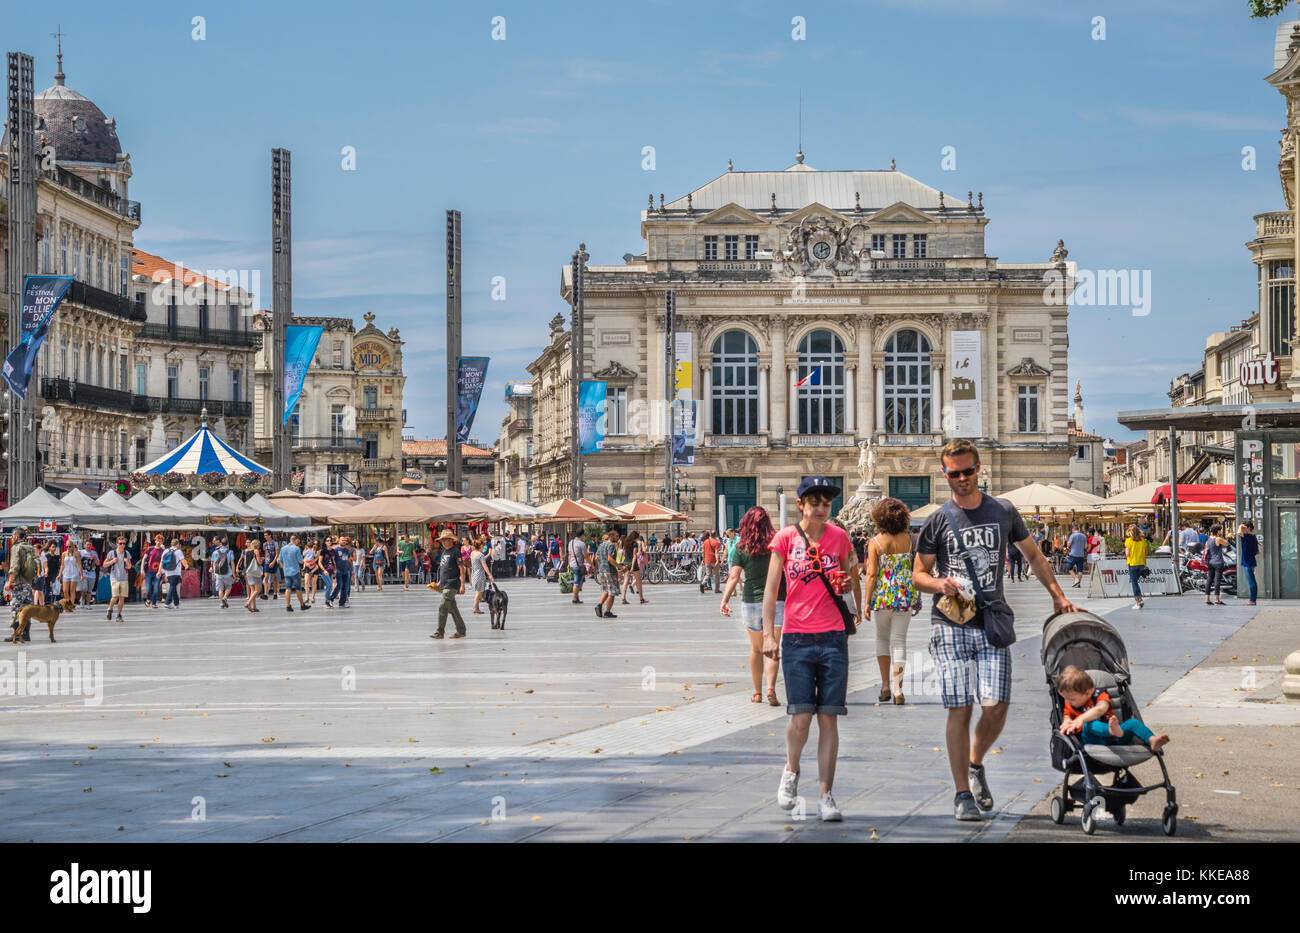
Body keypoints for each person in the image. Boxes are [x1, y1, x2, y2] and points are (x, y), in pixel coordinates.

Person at [913, 439, 1077, 822]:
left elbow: (1033, 556)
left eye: (968, 471)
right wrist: (940, 583)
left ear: (979, 468)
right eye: (954, 473)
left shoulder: (1002, 510)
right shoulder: (938, 520)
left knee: (996, 705)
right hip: (950, 622)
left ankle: (976, 761)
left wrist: (1057, 595)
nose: (962, 479)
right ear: (945, 474)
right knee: (960, 706)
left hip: (992, 620)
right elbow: (918, 574)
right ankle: (961, 794)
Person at [763, 476, 859, 822]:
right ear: (801, 504)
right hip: (798, 638)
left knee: (829, 718)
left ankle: (826, 795)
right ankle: (791, 770)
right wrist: (769, 636)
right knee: (800, 716)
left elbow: (848, 583)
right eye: (814, 502)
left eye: (826, 504)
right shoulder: (786, 538)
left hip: (833, 636)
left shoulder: (840, 537)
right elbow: (772, 589)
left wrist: (848, 587)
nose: (821, 509)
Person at [720, 506, 785, 706]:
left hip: (751, 602)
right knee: (772, 646)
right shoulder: (777, 544)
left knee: (756, 649)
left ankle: (757, 693)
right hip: (777, 600)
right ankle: (771, 689)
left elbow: (734, 576)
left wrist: (725, 599)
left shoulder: (741, 548)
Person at [862, 497, 922, 706]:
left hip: (882, 597)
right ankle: (898, 689)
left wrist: (866, 602)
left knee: (882, 639)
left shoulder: (875, 542)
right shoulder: (911, 539)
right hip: (904, 596)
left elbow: (871, 574)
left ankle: (885, 685)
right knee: (900, 642)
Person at [1057, 665, 1169, 752]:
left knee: (1133, 723)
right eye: (1065, 699)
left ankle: (1152, 740)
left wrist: (1080, 719)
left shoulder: (1100, 695)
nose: (1068, 702)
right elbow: (1066, 717)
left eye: (1071, 699)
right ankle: (1111, 730)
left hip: (1116, 738)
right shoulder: (1069, 705)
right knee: (1089, 724)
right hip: (1093, 743)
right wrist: (1066, 722)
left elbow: (1100, 709)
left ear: (1087, 693)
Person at [431, 529, 467, 639]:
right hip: (445, 583)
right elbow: (444, 569)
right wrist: (439, 582)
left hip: (452, 584)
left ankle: (439, 632)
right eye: (441, 540)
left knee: (443, 607)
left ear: (450, 540)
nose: (442, 542)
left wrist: (462, 585)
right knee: (452, 609)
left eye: (444, 540)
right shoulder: (444, 552)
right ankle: (461, 630)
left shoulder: (455, 552)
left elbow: (461, 568)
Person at [6, 528, 40, 643]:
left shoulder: (17, 548)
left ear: (16, 536)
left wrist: (9, 583)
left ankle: (17, 633)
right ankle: (26, 634)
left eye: (12, 535)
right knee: (27, 609)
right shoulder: (30, 548)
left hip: (19, 583)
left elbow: (14, 567)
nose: (11, 538)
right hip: (28, 584)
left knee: (16, 609)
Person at [101, 536, 132, 624]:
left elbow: (129, 567)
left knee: (122, 598)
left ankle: (118, 614)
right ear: (117, 544)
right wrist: (112, 561)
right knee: (115, 597)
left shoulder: (127, 553)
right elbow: (104, 564)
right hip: (114, 577)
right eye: (120, 543)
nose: (122, 545)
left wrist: (127, 562)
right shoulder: (112, 553)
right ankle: (110, 609)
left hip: (124, 577)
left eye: (124, 543)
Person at [594, 529, 623, 619]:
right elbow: (610, 559)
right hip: (610, 571)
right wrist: (620, 567)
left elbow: (596, 558)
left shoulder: (601, 545)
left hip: (602, 570)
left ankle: (599, 605)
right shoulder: (611, 545)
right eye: (616, 536)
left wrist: (599, 568)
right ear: (611, 536)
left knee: (606, 590)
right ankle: (607, 612)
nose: (618, 538)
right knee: (612, 592)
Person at [278, 534, 311, 613]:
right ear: (295, 540)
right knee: (298, 588)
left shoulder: (283, 548)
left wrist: (284, 568)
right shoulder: (296, 548)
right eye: (298, 541)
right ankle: (302, 605)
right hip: (295, 571)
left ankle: (288, 606)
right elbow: (300, 561)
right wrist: (305, 561)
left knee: (288, 588)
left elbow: (279, 561)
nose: (298, 542)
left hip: (286, 572)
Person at [1203, 523, 1230, 606]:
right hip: (1218, 562)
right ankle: (1217, 599)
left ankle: (1207, 599)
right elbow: (1227, 544)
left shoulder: (1208, 540)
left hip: (1210, 562)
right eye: (1220, 530)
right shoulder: (1218, 539)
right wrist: (1228, 536)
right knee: (1217, 581)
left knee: (1209, 580)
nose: (1221, 532)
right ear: (1218, 531)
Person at [1124, 523, 1148, 610]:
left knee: (1134, 582)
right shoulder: (1143, 541)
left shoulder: (1128, 541)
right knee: (1136, 582)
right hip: (1141, 564)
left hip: (1132, 563)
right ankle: (1140, 599)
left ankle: (1138, 601)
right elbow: (1146, 553)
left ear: (1130, 532)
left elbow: (1127, 554)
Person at [160, 538, 189, 609]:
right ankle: (167, 602)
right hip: (176, 572)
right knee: (172, 587)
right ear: (178, 544)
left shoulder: (166, 551)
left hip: (168, 572)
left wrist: (162, 572)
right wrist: (186, 566)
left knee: (173, 587)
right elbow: (183, 560)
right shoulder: (178, 551)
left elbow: (162, 561)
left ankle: (176, 603)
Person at [621, 530, 648, 605]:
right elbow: (634, 556)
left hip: (626, 562)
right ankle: (641, 598)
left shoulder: (625, 543)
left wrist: (623, 563)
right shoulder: (635, 544)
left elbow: (623, 553)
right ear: (635, 537)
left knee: (625, 581)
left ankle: (623, 598)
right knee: (638, 581)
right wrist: (632, 566)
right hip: (632, 563)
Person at [236, 542, 263, 613]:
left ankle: (254, 607)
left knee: (252, 590)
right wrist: (262, 560)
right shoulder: (256, 551)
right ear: (257, 545)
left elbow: (245, 563)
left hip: (248, 571)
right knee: (258, 589)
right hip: (255, 572)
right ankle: (248, 603)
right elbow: (259, 562)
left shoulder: (246, 551)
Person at [469, 536, 493, 614]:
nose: (484, 548)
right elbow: (485, 566)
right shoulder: (480, 555)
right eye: (483, 546)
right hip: (479, 575)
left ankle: (477, 608)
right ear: (480, 546)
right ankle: (475, 608)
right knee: (479, 593)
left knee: (478, 592)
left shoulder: (472, 553)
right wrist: (490, 575)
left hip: (474, 574)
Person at [1237, 521, 1259, 605]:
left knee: (1251, 582)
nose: (1242, 529)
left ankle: (1252, 600)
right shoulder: (1253, 536)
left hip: (1247, 562)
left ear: (1248, 528)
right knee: (1252, 581)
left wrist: (1240, 526)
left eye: (1244, 527)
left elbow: (1239, 532)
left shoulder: (1247, 536)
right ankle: (1253, 600)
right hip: (1251, 560)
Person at [210, 536, 235, 609]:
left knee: (220, 589)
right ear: (227, 544)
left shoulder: (215, 552)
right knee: (229, 587)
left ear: (221, 543)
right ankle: (225, 597)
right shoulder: (230, 552)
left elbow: (214, 563)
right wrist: (234, 574)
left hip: (218, 573)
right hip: (228, 573)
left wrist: (214, 573)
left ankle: (221, 603)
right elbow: (232, 563)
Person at [330, 535, 354, 608]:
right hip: (338, 570)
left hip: (346, 570)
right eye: (342, 540)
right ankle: (330, 599)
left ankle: (342, 603)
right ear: (339, 541)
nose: (343, 541)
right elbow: (332, 560)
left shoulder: (347, 550)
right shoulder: (336, 550)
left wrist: (352, 570)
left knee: (345, 587)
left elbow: (349, 560)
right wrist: (334, 569)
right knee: (339, 584)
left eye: (344, 540)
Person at [568, 529, 589, 605]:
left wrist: (568, 563)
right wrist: (591, 565)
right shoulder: (581, 544)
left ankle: (576, 596)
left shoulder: (571, 542)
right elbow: (586, 555)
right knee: (577, 583)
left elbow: (569, 554)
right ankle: (574, 599)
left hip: (572, 564)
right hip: (578, 566)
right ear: (582, 535)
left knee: (582, 580)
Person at [143, 535, 164, 608]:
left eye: (160, 541)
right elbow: (144, 559)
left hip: (157, 572)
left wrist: (159, 571)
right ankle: (148, 599)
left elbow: (162, 561)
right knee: (148, 589)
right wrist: (142, 569)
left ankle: (154, 603)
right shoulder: (150, 549)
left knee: (155, 589)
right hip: (149, 571)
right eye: (158, 540)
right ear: (155, 541)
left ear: (162, 542)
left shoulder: (162, 551)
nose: (159, 542)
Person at [60, 538, 82, 608]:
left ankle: (71, 605)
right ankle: (67, 604)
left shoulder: (76, 554)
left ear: (72, 546)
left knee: (72, 591)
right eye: (67, 546)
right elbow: (62, 565)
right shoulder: (63, 554)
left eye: (69, 546)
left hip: (74, 573)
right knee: (65, 590)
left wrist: (81, 574)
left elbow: (79, 565)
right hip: (66, 573)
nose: (68, 548)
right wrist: (59, 574)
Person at [1065, 524, 1088, 589]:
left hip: (1073, 554)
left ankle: (1076, 579)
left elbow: (1069, 545)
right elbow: (1086, 546)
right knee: (1080, 570)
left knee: (1068, 566)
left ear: (1073, 530)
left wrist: (1068, 545)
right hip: (1081, 555)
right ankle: (1078, 584)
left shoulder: (1072, 535)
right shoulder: (1084, 536)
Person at [79, 540, 99, 606]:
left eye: (90, 544)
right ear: (84, 545)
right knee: (84, 589)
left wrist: (95, 558)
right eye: (87, 544)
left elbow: (98, 563)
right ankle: (82, 600)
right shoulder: (81, 552)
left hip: (92, 574)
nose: (88, 546)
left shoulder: (94, 553)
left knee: (89, 590)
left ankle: (88, 604)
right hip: (83, 574)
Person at [261, 533, 280, 601]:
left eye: (266, 535)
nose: (265, 537)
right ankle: (266, 594)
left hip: (273, 562)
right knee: (266, 577)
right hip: (267, 562)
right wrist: (264, 559)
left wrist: (273, 562)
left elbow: (277, 554)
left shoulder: (275, 543)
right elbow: (266, 553)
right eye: (264, 535)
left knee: (274, 578)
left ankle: (275, 593)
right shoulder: (264, 544)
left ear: (270, 535)